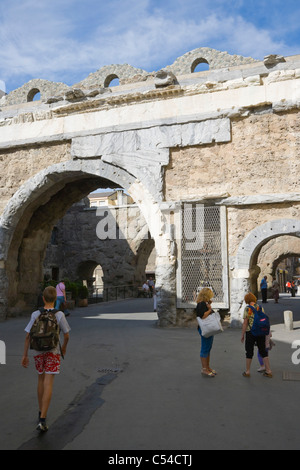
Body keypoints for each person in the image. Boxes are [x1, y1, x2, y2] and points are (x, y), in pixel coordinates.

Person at [21, 286, 71, 432]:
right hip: (53, 352)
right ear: (55, 299)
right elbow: (67, 335)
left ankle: (39, 411)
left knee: (40, 380)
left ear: (43, 298)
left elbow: (27, 336)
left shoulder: (36, 314)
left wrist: (24, 355)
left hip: (38, 352)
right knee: (49, 382)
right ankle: (43, 419)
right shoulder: (59, 314)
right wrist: (64, 347)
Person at [241, 292, 272, 378]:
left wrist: (242, 334)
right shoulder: (260, 307)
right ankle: (268, 370)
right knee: (263, 351)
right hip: (261, 332)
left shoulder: (247, 309)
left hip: (251, 332)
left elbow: (245, 323)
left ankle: (247, 371)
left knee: (249, 352)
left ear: (246, 300)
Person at [196, 287, 217, 378]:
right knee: (205, 348)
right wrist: (209, 310)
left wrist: (209, 305)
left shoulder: (204, 303)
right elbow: (202, 316)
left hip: (208, 328)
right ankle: (204, 369)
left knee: (208, 348)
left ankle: (207, 367)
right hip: (205, 328)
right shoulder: (201, 304)